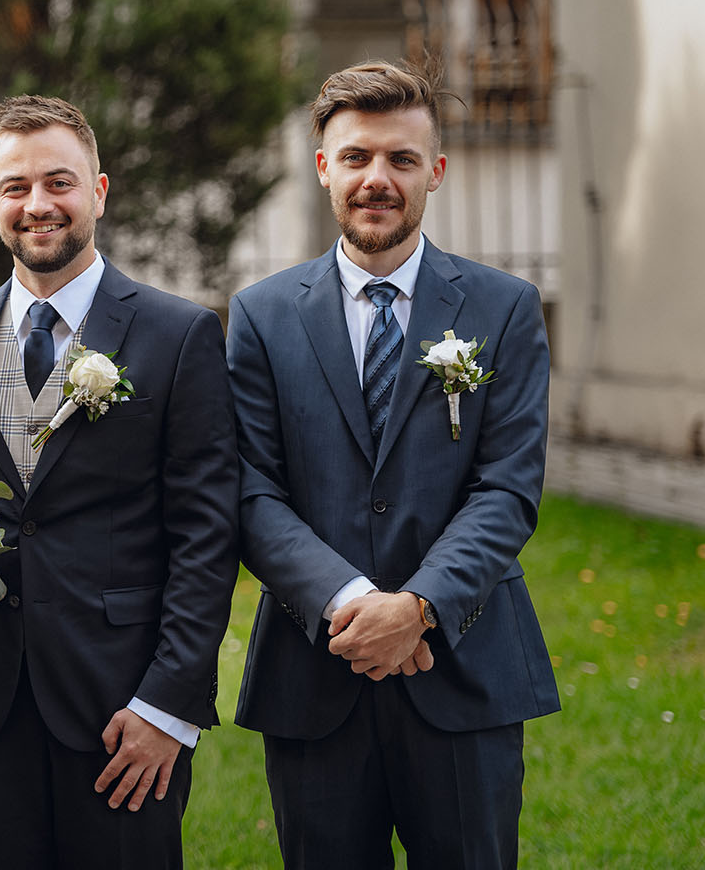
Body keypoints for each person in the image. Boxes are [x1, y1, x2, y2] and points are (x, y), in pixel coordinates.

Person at [226, 59, 560, 868]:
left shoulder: (504, 308)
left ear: (434, 171)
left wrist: (419, 607)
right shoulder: (260, 316)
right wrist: (353, 603)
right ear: (323, 168)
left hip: (465, 667)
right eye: (357, 157)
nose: (378, 179)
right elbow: (252, 491)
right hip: (314, 675)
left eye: (401, 159)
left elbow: (507, 489)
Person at [0, 95, 240, 869]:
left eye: (59, 182)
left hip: (123, 705)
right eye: (16, 186)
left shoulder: (179, 334)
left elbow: (206, 536)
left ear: (98, 192)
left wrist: (168, 705)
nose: (38, 204)